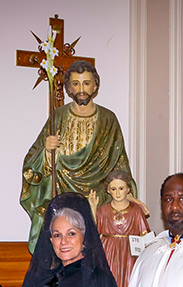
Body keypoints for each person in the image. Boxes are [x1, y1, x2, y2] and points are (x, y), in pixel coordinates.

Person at [21, 60, 137, 253]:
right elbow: (32, 165)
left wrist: (124, 194)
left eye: (86, 83)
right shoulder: (57, 117)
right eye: (75, 83)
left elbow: (120, 165)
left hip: (97, 200)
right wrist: (46, 155)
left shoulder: (109, 120)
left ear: (96, 85)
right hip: (64, 201)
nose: (81, 89)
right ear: (68, 88)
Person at [89, 170, 151, 287]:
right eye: (113, 189)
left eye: (121, 188)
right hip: (108, 252)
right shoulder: (103, 210)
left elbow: (144, 235)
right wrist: (93, 210)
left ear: (128, 189)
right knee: (108, 283)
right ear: (108, 190)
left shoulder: (135, 210)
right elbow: (93, 233)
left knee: (129, 284)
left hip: (129, 253)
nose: (117, 193)